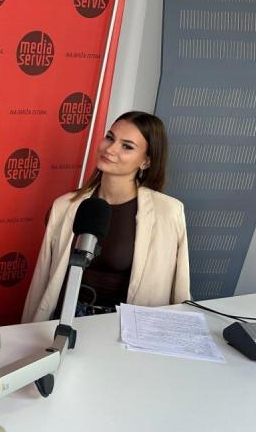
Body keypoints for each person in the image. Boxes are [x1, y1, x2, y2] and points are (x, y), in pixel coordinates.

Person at [22, 111, 190, 323]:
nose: (110, 149)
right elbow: (42, 281)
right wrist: (29, 328)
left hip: (124, 327)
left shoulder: (168, 212)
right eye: (110, 137)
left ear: (146, 161)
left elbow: (179, 289)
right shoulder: (65, 206)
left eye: (127, 146)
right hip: (63, 320)